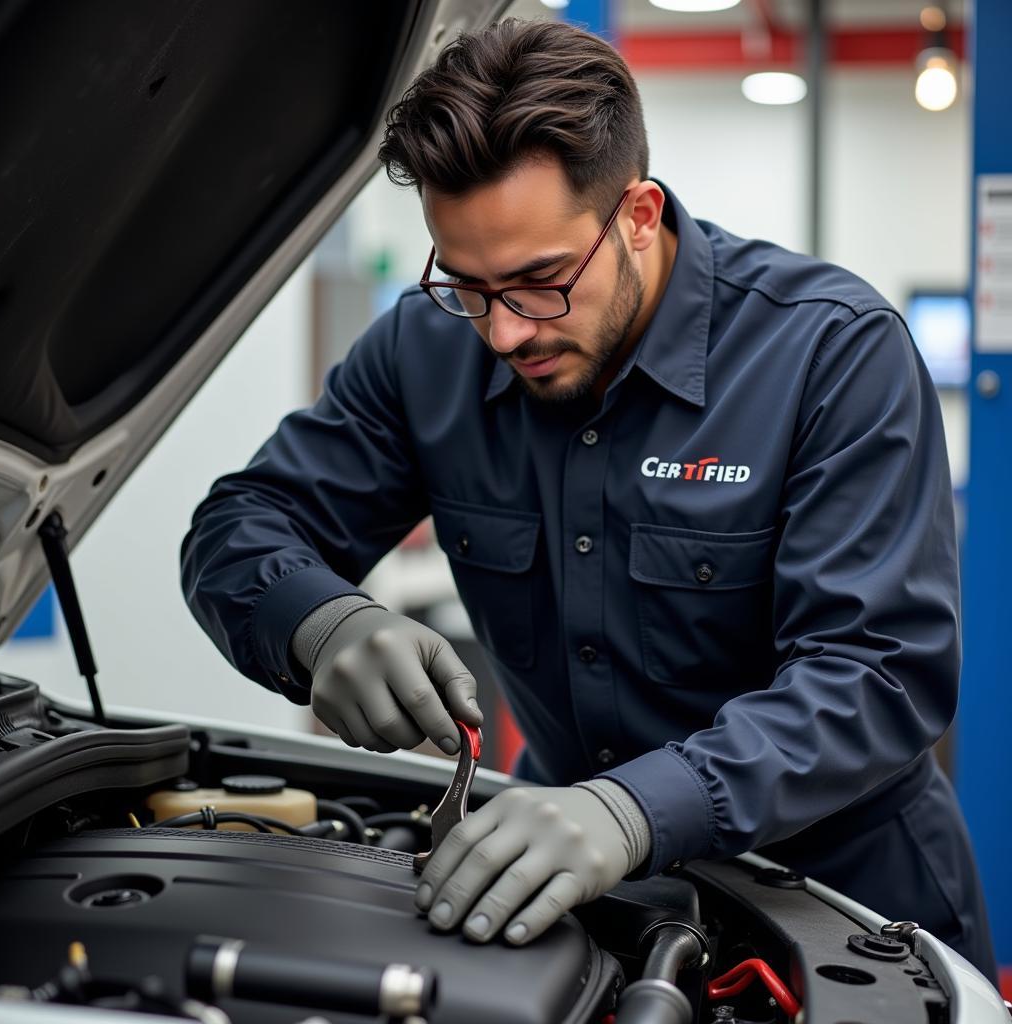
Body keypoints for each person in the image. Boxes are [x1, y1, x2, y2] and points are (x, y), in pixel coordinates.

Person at [180, 18, 998, 981]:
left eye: (540, 282)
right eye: (469, 286)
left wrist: (635, 807)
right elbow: (239, 526)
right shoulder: (422, 352)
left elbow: (874, 675)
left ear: (640, 215)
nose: (502, 334)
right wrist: (320, 624)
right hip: (573, 898)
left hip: (842, 917)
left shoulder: (831, 352)